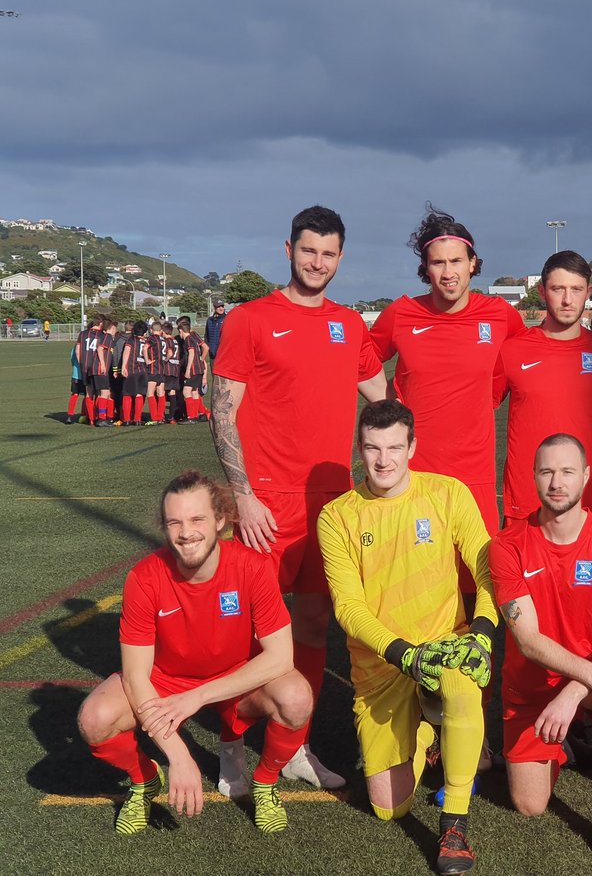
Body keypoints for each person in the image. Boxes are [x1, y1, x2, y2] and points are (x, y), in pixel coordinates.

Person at [210, 205, 387, 794]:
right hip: (264, 504)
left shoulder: (348, 324)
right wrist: (243, 495)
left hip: (331, 505)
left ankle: (294, 747)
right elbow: (222, 411)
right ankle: (231, 746)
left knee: (313, 623)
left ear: (341, 258)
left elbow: (383, 396)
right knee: (248, 631)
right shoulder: (250, 319)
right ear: (288, 250)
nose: (318, 262)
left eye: (328, 253)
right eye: (308, 250)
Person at [75, 471, 314, 834]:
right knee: (95, 719)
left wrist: (197, 697)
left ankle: (265, 783)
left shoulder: (252, 567)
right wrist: (179, 756)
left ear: (220, 520)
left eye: (197, 519)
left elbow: (281, 658)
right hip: (167, 681)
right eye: (175, 522)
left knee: (296, 698)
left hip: (238, 677)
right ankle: (145, 780)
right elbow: (136, 677)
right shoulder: (144, 578)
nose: (186, 533)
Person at [317, 400, 497, 875]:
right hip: (383, 665)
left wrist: (482, 632)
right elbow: (348, 608)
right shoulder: (337, 516)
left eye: (395, 447)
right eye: (372, 448)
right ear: (359, 449)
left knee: (462, 689)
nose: (384, 460)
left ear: (413, 447)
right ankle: (428, 729)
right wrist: (404, 655)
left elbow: (489, 569)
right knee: (388, 807)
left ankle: (454, 824)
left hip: (445, 646)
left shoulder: (448, 493)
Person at [491, 434, 592, 858]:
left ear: (586, 476)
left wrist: (573, 693)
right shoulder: (507, 545)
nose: (556, 482)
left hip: (587, 681)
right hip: (531, 690)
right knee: (530, 805)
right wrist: (580, 685)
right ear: (533, 476)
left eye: (566, 472)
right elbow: (528, 641)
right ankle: (565, 740)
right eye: (546, 472)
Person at [370, 205, 526, 591]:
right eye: (438, 262)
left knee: (479, 581)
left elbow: (536, 351)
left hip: (475, 475)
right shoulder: (402, 314)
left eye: (456, 261)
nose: (448, 272)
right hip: (414, 474)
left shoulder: (500, 315)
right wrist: (388, 405)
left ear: (473, 263)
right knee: (417, 581)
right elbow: (359, 359)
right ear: (426, 268)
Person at [494, 251, 592, 523]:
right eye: (558, 289)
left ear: (588, 292)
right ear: (541, 291)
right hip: (526, 504)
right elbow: (480, 407)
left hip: (586, 502)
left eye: (576, 289)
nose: (567, 299)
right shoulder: (512, 350)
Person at [75, 316, 117, 427]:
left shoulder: (82, 334)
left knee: (89, 393)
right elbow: (100, 349)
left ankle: (91, 419)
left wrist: (81, 364)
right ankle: (101, 417)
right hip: (98, 366)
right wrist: (103, 364)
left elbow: (77, 351)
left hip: (85, 367)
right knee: (102, 393)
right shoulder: (103, 335)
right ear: (101, 323)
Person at [118, 321, 152, 426]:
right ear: (145, 333)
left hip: (132, 370)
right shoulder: (147, 342)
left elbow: (126, 351)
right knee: (139, 394)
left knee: (127, 394)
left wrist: (123, 366)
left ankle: (127, 419)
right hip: (143, 371)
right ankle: (137, 419)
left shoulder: (131, 339)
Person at [177, 316, 209, 423]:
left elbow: (191, 353)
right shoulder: (193, 338)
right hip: (199, 369)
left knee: (186, 391)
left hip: (193, 369)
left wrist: (188, 369)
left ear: (181, 330)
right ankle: (196, 415)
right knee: (195, 392)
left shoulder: (189, 339)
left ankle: (191, 416)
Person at [66, 340, 86, 424]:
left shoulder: (76, 346)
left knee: (74, 394)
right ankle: (84, 414)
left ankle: (70, 416)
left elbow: (72, 359)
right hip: (86, 374)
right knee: (88, 395)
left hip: (76, 374)